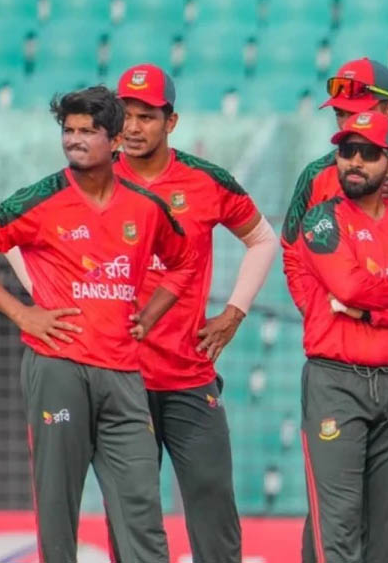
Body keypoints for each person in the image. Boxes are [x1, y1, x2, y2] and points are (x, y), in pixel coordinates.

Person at [0, 86, 197, 563]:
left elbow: (183, 262)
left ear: (116, 140)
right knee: (58, 503)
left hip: (124, 376)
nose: (74, 139)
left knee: (140, 505)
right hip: (59, 368)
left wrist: (150, 314)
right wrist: (22, 313)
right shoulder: (39, 199)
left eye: (88, 131)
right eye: (68, 130)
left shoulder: (145, 207)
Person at [109, 64, 276, 562]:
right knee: (131, 514)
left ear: (172, 121)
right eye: (124, 115)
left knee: (213, 505)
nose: (133, 127)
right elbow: (21, 234)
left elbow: (263, 239)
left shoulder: (205, 180)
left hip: (189, 376)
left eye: (146, 116)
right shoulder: (95, 177)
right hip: (122, 379)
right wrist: (42, 300)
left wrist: (235, 312)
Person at [284, 111, 388, 563]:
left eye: (368, 153)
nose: (355, 162)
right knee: (338, 529)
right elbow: (349, 287)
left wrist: (373, 314)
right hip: (336, 381)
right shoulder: (321, 220)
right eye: (347, 151)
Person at [281, 57, 388, 231]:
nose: (348, 125)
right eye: (340, 114)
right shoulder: (316, 175)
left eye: (359, 115)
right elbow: (293, 244)